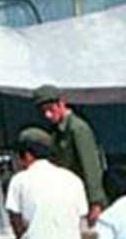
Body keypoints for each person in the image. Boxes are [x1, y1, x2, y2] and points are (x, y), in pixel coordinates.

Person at [33, 84, 106, 223]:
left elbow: (91, 166)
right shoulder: (57, 131)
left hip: (84, 201)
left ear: (61, 104)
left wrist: (96, 203)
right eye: (43, 111)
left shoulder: (77, 129)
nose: (47, 115)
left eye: (50, 109)